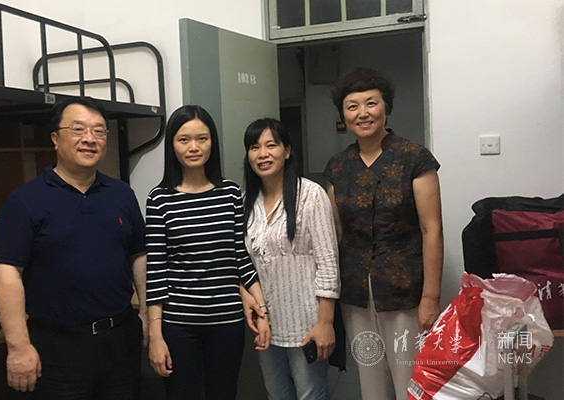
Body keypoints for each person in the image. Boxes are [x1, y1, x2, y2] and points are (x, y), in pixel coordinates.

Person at [0, 97, 147, 399]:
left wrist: (147, 315)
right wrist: (18, 346)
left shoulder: (121, 194)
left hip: (120, 338)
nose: (89, 138)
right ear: (55, 138)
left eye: (99, 131)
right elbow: (5, 273)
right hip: (57, 346)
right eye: (78, 129)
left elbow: (139, 255)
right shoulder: (25, 200)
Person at [323, 68, 444, 400]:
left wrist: (430, 298)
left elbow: (432, 229)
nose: (362, 113)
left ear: (385, 108)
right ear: (343, 115)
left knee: (410, 380)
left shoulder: (414, 158)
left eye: (371, 103)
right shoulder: (337, 167)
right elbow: (335, 232)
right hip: (356, 293)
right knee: (371, 382)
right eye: (352, 106)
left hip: (405, 292)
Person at [145, 105, 270, 400]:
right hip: (178, 323)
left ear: (212, 142)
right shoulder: (159, 199)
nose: (194, 147)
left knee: (223, 394)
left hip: (227, 321)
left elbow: (240, 257)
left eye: (202, 138)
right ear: (172, 145)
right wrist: (155, 334)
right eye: (184, 139)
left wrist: (262, 310)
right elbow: (156, 271)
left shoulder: (230, 194)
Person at [241, 118, 340, 400]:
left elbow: (328, 262)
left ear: (286, 151)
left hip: (307, 323)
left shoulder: (310, 195)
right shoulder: (247, 201)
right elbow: (243, 262)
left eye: (271, 145)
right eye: (255, 147)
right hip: (267, 324)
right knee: (276, 394)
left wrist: (325, 322)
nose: (263, 154)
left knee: (311, 395)